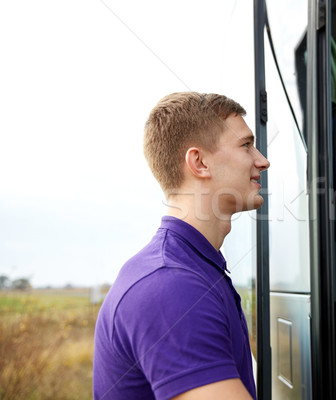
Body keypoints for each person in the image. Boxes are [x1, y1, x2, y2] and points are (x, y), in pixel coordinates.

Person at [93, 92, 269, 400]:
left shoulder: (194, 268)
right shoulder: (172, 286)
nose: (262, 161)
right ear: (199, 162)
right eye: (246, 145)